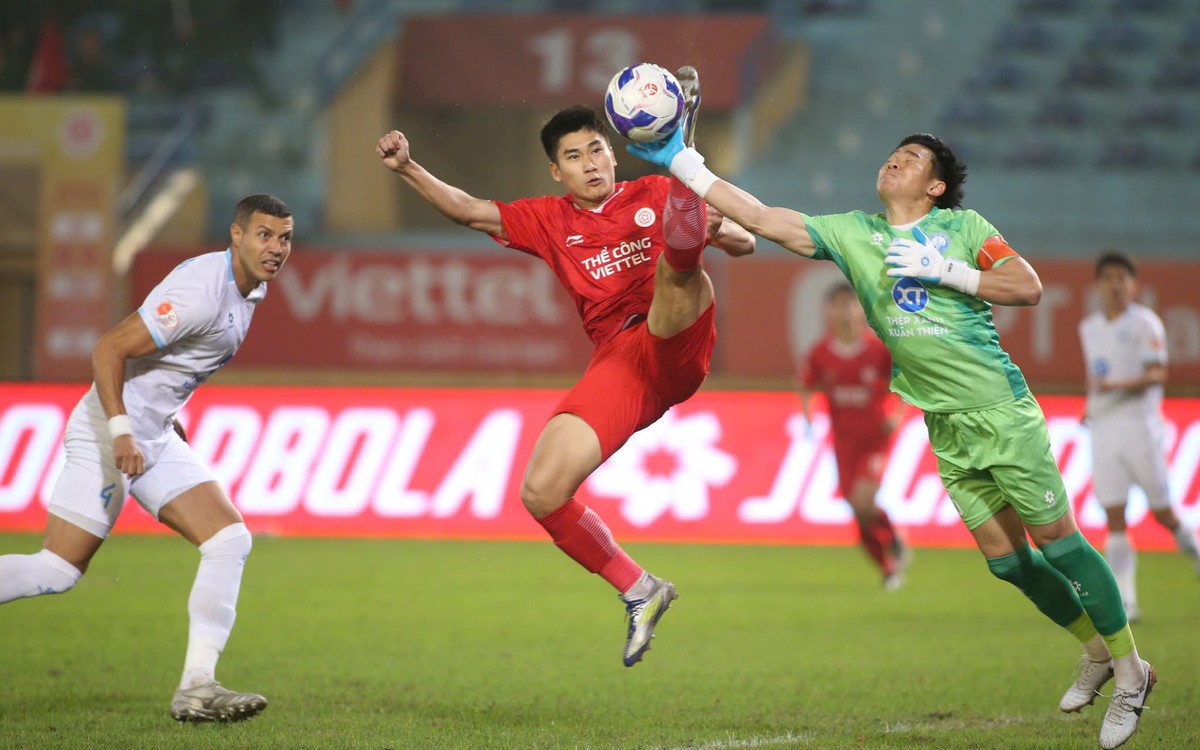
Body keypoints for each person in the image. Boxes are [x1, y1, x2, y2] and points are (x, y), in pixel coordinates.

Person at [629, 124, 1154, 749]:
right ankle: (1096, 652)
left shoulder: (966, 230)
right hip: (946, 423)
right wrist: (683, 162)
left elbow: (1027, 287)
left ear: (934, 186)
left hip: (1000, 411)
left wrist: (948, 272)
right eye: (892, 155)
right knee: (1009, 563)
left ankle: (1130, 672)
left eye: (909, 160)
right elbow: (767, 219)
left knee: (1059, 544)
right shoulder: (857, 233)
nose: (893, 163)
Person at [376, 76, 755, 667]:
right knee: (542, 491)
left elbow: (745, 244)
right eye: (573, 157)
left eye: (597, 149)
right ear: (558, 172)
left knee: (677, 267)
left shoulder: (651, 191)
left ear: (613, 149)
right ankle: (640, 589)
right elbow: (468, 211)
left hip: (676, 338)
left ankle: (684, 142)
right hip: (620, 361)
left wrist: (718, 232)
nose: (590, 164)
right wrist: (406, 167)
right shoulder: (548, 220)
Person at [0, 194, 293, 723]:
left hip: (153, 434)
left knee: (228, 538)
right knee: (57, 570)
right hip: (110, 433)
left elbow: (174, 364)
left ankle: (198, 687)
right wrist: (120, 432)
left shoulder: (251, 289)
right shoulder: (202, 292)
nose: (275, 248)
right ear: (236, 235)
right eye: (264, 235)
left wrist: (162, 415)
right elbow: (108, 348)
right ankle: (197, 686)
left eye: (285, 237)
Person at [1079, 251, 1200, 622]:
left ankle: (1195, 556)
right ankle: (1127, 601)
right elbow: (1095, 379)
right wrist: (1092, 405)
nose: (1115, 285)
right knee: (1114, 514)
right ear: (1098, 286)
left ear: (1134, 285)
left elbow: (1156, 374)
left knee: (1162, 512)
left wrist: (1115, 386)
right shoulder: (1089, 328)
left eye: (1122, 278)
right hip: (1105, 431)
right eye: (1108, 278)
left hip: (1140, 429)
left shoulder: (1147, 324)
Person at [798, 282, 908, 589]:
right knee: (859, 512)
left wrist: (896, 416)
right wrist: (807, 416)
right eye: (839, 305)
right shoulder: (821, 353)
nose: (846, 312)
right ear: (828, 310)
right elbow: (807, 384)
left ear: (862, 309)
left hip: (874, 439)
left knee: (862, 502)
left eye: (852, 304)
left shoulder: (878, 349)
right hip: (843, 442)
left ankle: (892, 547)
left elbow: (904, 383)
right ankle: (888, 563)